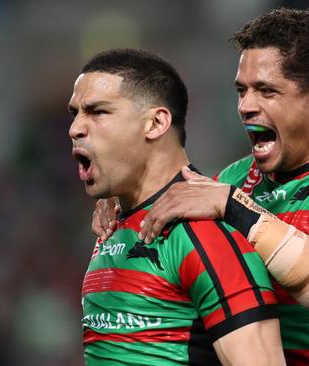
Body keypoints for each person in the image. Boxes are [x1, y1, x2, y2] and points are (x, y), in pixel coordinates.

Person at [93, 8, 309, 366]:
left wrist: (235, 207)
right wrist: (126, 196)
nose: (245, 106)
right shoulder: (233, 179)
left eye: (266, 91)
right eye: (241, 90)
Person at [68, 48, 285, 365]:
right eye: (75, 113)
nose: (75, 128)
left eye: (97, 112)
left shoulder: (204, 233)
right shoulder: (114, 222)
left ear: (155, 123)